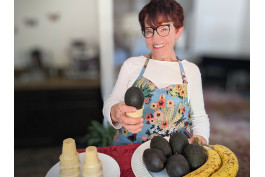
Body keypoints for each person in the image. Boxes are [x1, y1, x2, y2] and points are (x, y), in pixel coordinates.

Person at [103, 0, 210, 146]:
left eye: (163, 29)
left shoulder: (191, 71)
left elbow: (199, 116)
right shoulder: (132, 65)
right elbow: (112, 101)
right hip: (128, 148)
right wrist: (115, 113)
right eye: (149, 30)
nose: (155, 38)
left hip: (173, 157)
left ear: (178, 31)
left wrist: (201, 137)